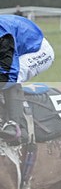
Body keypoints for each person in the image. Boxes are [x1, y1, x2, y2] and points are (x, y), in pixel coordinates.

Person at [0, 14, 56, 144]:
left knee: (14, 76)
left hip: (36, 50)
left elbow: (10, 74)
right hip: (16, 45)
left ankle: (15, 126)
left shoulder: (2, 35)